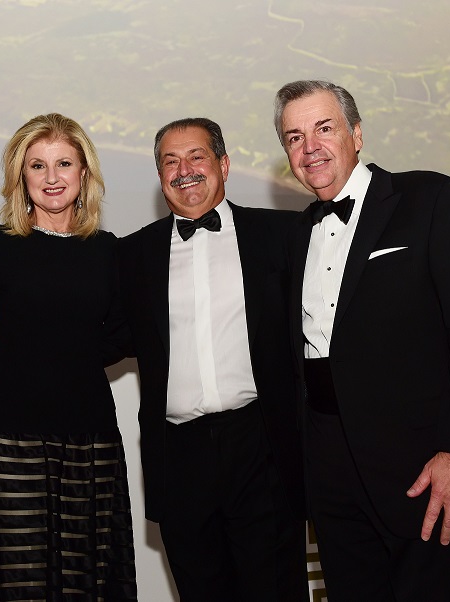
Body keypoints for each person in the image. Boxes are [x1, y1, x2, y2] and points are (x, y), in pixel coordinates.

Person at [274, 79, 450, 601]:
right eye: (294, 137)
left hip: (428, 473)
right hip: (332, 483)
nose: (310, 147)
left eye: (324, 128)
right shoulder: (295, 236)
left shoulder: (430, 198)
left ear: (356, 134)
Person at [0, 113, 137, 601]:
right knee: (7, 578)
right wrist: (6, 350)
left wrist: (71, 355)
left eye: (63, 163)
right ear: (21, 176)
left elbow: (124, 332)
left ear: (84, 172)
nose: (51, 177)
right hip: (1, 435)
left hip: (87, 434)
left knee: (83, 575)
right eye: (37, 165)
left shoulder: (109, 251)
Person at [118, 118, 307, 601]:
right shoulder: (133, 254)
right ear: (160, 176)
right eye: (170, 161)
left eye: (196, 156)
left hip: (261, 447)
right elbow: (95, 332)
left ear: (223, 164)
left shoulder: (283, 234)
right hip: (178, 458)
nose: (184, 170)